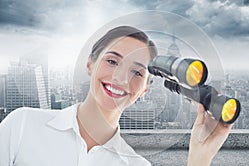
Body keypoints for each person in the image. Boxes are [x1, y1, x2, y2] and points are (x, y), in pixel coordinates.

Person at [0, 26, 233, 166]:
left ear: (145, 89)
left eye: (137, 72)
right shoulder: (23, 125)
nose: (121, 78)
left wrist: (199, 159)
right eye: (112, 61)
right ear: (90, 64)